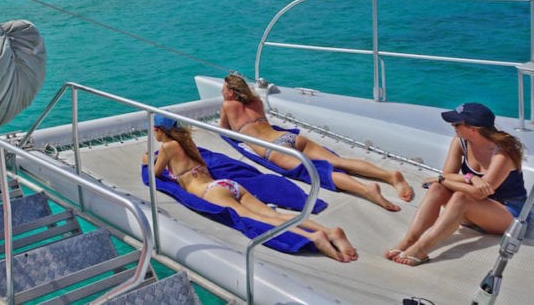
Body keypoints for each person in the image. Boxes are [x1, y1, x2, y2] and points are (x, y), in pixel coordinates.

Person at [143, 114, 358, 262]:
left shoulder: (168, 147)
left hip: (211, 192)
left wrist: (147, 161)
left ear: (157, 130)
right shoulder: (188, 143)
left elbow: (155, 174)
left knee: (262, 220)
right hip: (229, 185)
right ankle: (330, 231)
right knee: (273, 214)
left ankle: (314, 238)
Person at [219, 72, 414, 211]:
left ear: (231, 93)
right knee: (337, 161)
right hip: (291, 138)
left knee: (317, 172)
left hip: (274, 149)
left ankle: (366, 189)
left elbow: (224, 130)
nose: (222, 91)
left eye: (224, 88)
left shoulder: (228, 105)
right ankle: (389, 176)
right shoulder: (257, 102)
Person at [386, 102, 527, 266]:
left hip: (509, 213)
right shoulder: (460, 142)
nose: (452, 126)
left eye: (456, 123)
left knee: (460, 196)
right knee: (438, 188)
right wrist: (471, 178)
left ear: (474, 129)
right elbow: (448, 175)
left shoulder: (503, 153)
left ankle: (422, 248)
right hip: (479, 210)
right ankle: (410, 240)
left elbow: (479, 193)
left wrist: (441, 179)